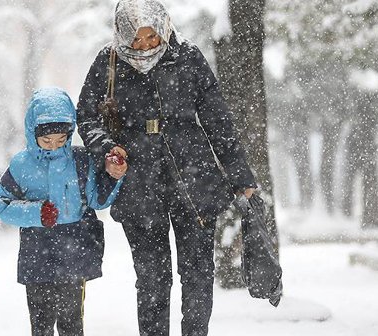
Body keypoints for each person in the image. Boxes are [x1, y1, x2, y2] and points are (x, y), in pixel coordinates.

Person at [76, 0, 256, 335]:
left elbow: (217, 119)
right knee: (151, 279)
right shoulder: (108, 61)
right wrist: (107, 148)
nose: (144, 46)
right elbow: (86, 116)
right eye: (136, 40)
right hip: (137, 184)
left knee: (198, 272)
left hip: (194, 178)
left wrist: (240, 175)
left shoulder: (186, 56)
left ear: (163, 27)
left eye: (151, 37)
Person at [0, 87, 124, 336]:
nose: (54, 146)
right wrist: (36, 213)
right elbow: (0, 203)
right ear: (33, 133)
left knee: (72, 322)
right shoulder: (21, 165)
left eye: (62, 140)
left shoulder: (81, 160)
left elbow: (96, 200)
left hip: (75, 250)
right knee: (40, 324)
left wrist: (114, 178)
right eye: (47, 141)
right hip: (37, 251)